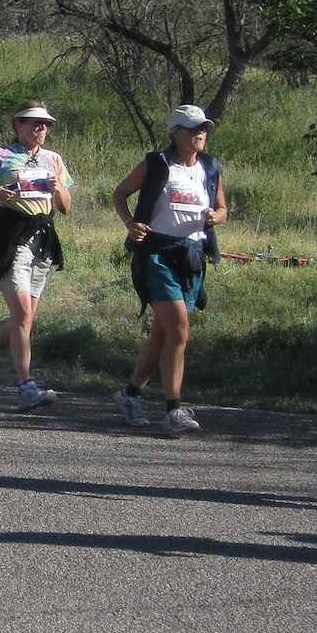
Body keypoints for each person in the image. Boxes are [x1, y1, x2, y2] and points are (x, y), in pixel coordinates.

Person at [110, 104, 228, 436]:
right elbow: (120, 193)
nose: (199, 134)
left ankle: (129, 394)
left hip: (191, 257)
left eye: (203, 128)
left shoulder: (210, 167)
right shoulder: (157, 165)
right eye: (192, 129)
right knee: (179, 330)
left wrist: (215, 217)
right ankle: (174, 409)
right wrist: (130, 223)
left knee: (163, 333)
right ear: (175, 133)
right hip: (156, 254)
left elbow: (221, 209)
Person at [0, 103, 73, 411]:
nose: (42, 129)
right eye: (35, 123)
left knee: (25, 319)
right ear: (17, 125)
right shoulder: (1, 155)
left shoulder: (53, 159)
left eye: (46, 124)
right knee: (22, 315)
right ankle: (25, 386)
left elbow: (66, 207)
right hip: (11, 239)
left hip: (43, 241)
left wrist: (58, 189)